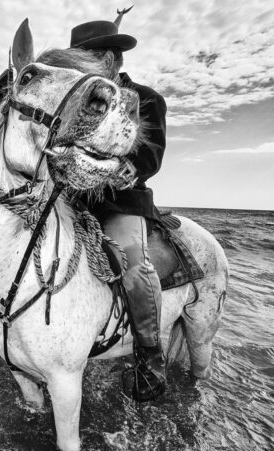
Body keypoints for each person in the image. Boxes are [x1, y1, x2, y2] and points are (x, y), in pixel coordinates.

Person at [69, 15, 168, 402]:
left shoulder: (146, 99)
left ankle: (149, 357)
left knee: (133, 265)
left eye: (85, 60)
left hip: (120, 201)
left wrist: (129, 167)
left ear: (109, 60)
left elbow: (151, 153)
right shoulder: (75, 102)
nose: (77, 70)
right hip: (75, 200)